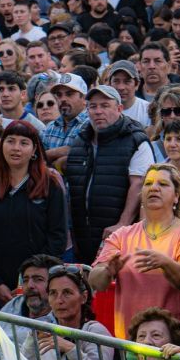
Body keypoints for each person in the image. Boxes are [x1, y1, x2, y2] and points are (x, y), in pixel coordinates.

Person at [89, 163, 180, 337]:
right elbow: (95, 282)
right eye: (148, 183)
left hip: (172, 339)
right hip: (130, 338)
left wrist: (165, 263)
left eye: (163, 184)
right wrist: (107, 271)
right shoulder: (122, 235)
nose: (154, 188)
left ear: (176, 196)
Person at [0, 121, 67, 306]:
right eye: (10, 141)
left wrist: (33, 280)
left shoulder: (50, 186)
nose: (16, 148)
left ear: (34, 149)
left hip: (40, 288)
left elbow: (57, 236)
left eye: (24, 143)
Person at [65, 85, 151, 264]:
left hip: (119, 236)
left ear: (119, 109)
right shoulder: (80, 141)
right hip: (81, 235)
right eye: (93, 106)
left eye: (105, 106)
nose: (98, 111)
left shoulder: (135, 140)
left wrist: (122, 223)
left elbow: (139, 184)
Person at [24, 266, 114, 360]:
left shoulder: (94, 331)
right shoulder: (43, 331)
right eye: (53, 293)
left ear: (83, 297)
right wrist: (31, 341)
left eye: (67, 293)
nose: (59, 300)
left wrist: (71, 349)